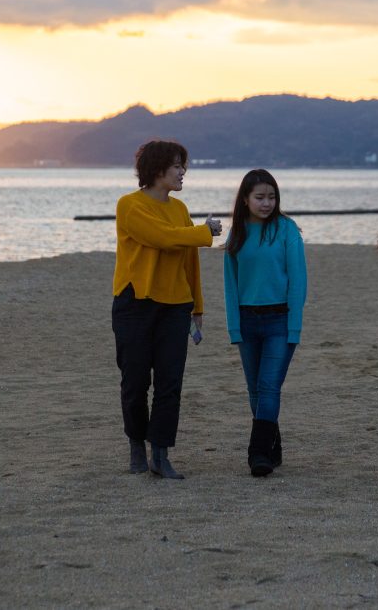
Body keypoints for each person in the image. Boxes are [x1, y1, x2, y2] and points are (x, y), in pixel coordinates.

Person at [111, 140, 222, 479]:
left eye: (182, 165)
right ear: (157, 169)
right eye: (177, 165)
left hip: (176, 305)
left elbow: (189, 260)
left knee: (170, 383)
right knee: (135, 381)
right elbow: (161, 237)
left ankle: (160, 454)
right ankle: (136, 446)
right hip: (135, 303)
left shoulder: (180, 208)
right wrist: (204, 232)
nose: (182, 171)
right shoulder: (129, 205)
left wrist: (198, 306)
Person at [223, 169, 307, 477]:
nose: (267, 203)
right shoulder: (238, 233)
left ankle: (257, 452)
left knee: (269, 386)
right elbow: (231, 285)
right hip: (247, 321)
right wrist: (234, 327)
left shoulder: (286, 230)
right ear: (245, 199)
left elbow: (298, 281)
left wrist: (294, 326)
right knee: (255, 390)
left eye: (272, 197)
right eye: (260, 197)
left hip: (279, 321)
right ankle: (273, 446)